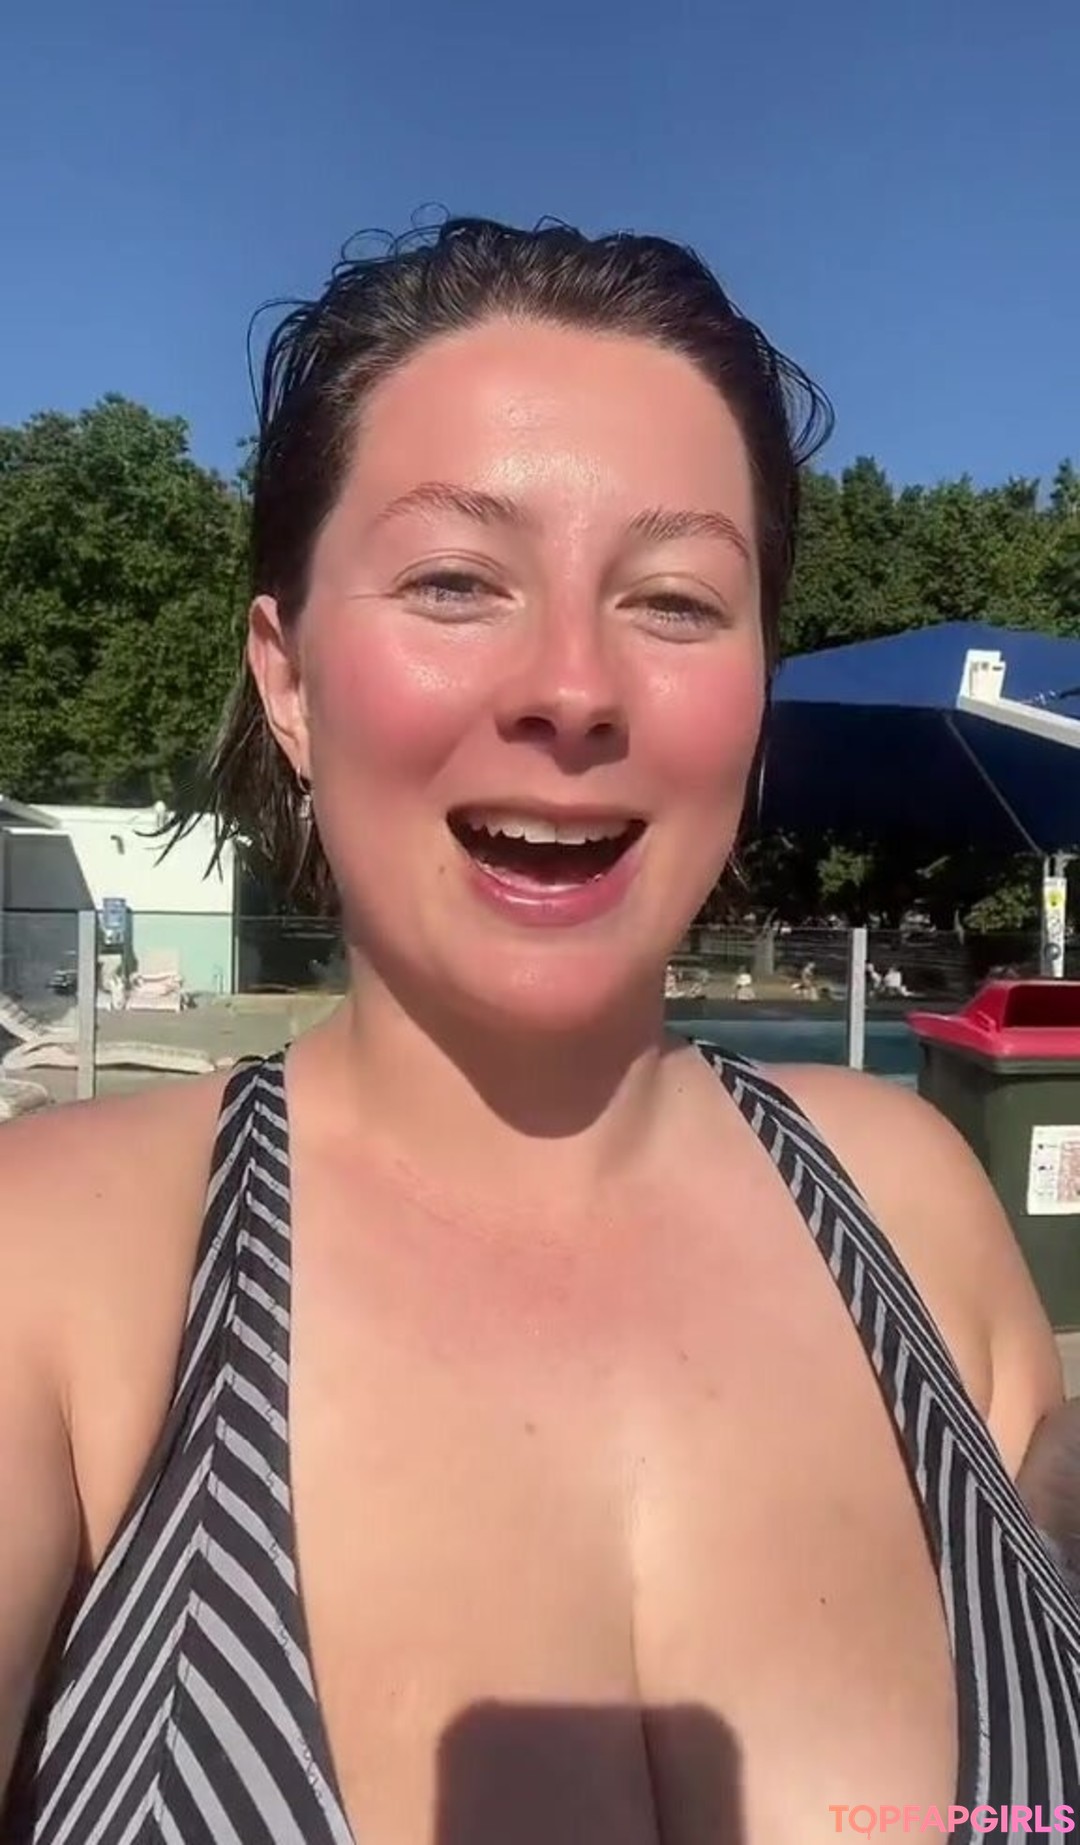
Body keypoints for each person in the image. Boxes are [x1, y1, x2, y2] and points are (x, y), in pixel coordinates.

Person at [1, 216, 1078, 1845]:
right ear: (288, 680)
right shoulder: (56, 1275)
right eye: (454, 580)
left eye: (676, 599)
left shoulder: (920, 1206)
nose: (573, 686)